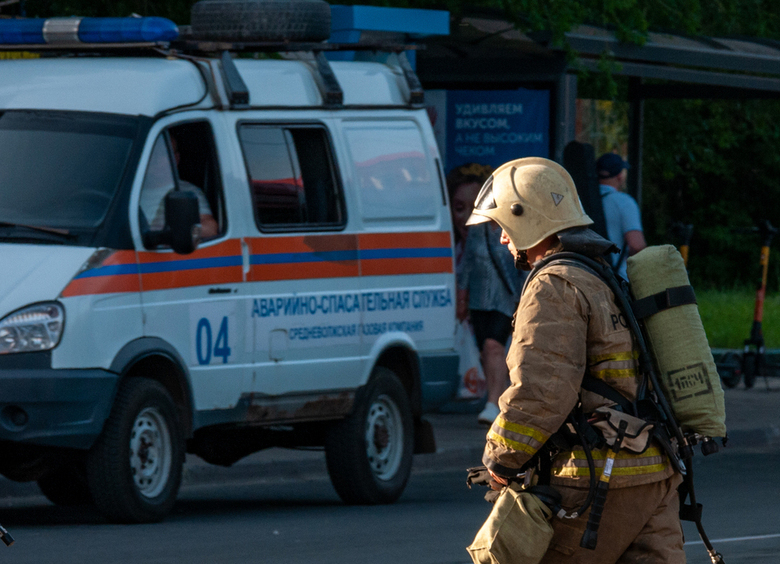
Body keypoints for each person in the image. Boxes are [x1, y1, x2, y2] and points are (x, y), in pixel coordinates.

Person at [466, 157, 684, 563]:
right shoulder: (604, 276)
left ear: (526, 217)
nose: (501, 239)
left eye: (502, 226)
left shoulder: (554, 285)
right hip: (656, 474)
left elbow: (541, 391)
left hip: (595, 482)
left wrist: (501, 458)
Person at [452, 164, 525, 426]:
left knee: (494, 347)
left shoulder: (516, 227)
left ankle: (492, 404)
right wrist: (461, 298)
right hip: (480, 299)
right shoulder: (477, 228)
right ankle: (501, 399)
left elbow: (525, 265)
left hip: (507, 298)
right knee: (487, 351)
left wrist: (525, 297)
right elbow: (468, 264)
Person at [141, 133, 219, 240]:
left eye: (164, 153)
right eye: (154, 154)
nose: (157, 160)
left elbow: (210, 229)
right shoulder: (131, 193)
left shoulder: (189, 191)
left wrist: (179, 231)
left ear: (176, 159)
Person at [596, 153, 646, 278]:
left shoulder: (580, 201)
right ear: (619, 176)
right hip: (617, 280)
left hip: (586, 277)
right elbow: (636, 245)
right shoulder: (624, 202)